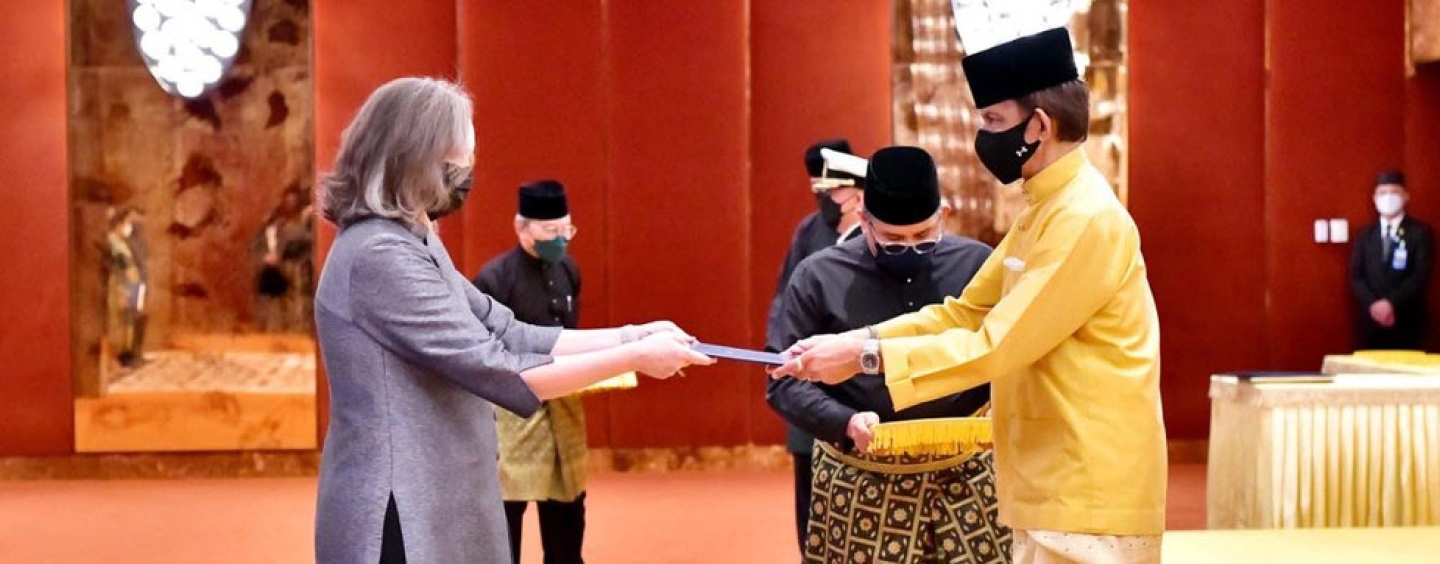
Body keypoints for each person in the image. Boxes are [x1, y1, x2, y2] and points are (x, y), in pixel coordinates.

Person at [774, 28, 1167, 563]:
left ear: (1041, 125)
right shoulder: (1045, 208)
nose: (985, 138)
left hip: (1087, 486)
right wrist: (857, 341)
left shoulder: (1085, 217)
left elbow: (995, 345)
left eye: (993, 122)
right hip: (1048, 481)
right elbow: (965, 312)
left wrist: (864, 357)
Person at [312, 77, 714, 564]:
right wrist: (632, 357)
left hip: (438, 490)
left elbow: (506, 329)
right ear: (412, 159)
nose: (464, 174)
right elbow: (496, 366)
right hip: (400, 505)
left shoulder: (413, 236)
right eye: (455, 161)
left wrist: (634, 334)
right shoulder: (379, 254)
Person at [768, 146, 1006, 563]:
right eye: (893, 240)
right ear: (863, 221)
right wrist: (844, 422)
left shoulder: (979, 268)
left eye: (923, 236)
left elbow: (1005, 351)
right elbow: (783, 378)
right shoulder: (819, 276)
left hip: (968, 477)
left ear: (944, 216)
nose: (910, 248)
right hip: (861, 479)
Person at [473, 180, 588, 564]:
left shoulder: (568, 270)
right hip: (513, 416)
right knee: (508, 519)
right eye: (550, 231)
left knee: (567, 514)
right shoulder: (494, 279)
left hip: (563, 411)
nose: (560, 239)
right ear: (522, 227)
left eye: (566, 230)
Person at [767, 138, 866, 556]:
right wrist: (779, 355)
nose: (824, 199)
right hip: (808, 386)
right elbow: (783, 301)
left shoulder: (877, 235)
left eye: (832, 190)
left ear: (857, 191)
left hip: (857, 389)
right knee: (810, 516)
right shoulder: (809, 232)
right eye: (819, 191)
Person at [1350, 170, 1433, 350]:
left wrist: (1391, 303)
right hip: (1371, 321)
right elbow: (1357, 276)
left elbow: (1420, 275)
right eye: (1382, 193)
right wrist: (1374, 305)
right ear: (1374, 198)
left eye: (1394, 192)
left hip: (1407, 318)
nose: (1388, 197)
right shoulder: (1364, 235)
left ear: (1405, 196)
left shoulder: (1420, 232)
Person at [254, 187, 315, 332]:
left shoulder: (298, 226)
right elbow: (257, 245)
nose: (290, 205)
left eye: (294, 201)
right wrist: (266, 258)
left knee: (296, 302)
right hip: (273, 269)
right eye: (288, 201)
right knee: (272, 302)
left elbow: (304, 242)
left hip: (294, 267)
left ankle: (297, 330)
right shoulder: (271, 226)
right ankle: (273, 330)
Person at [105, 207, 147, 369]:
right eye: (127, 223)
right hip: (123, 284)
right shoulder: (113, 241)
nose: (128, 227)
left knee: (132, 317)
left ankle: (130, 352)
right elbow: (121, 264)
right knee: (125, 319)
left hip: (132, 283)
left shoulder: (122, 241)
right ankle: (125, 353)